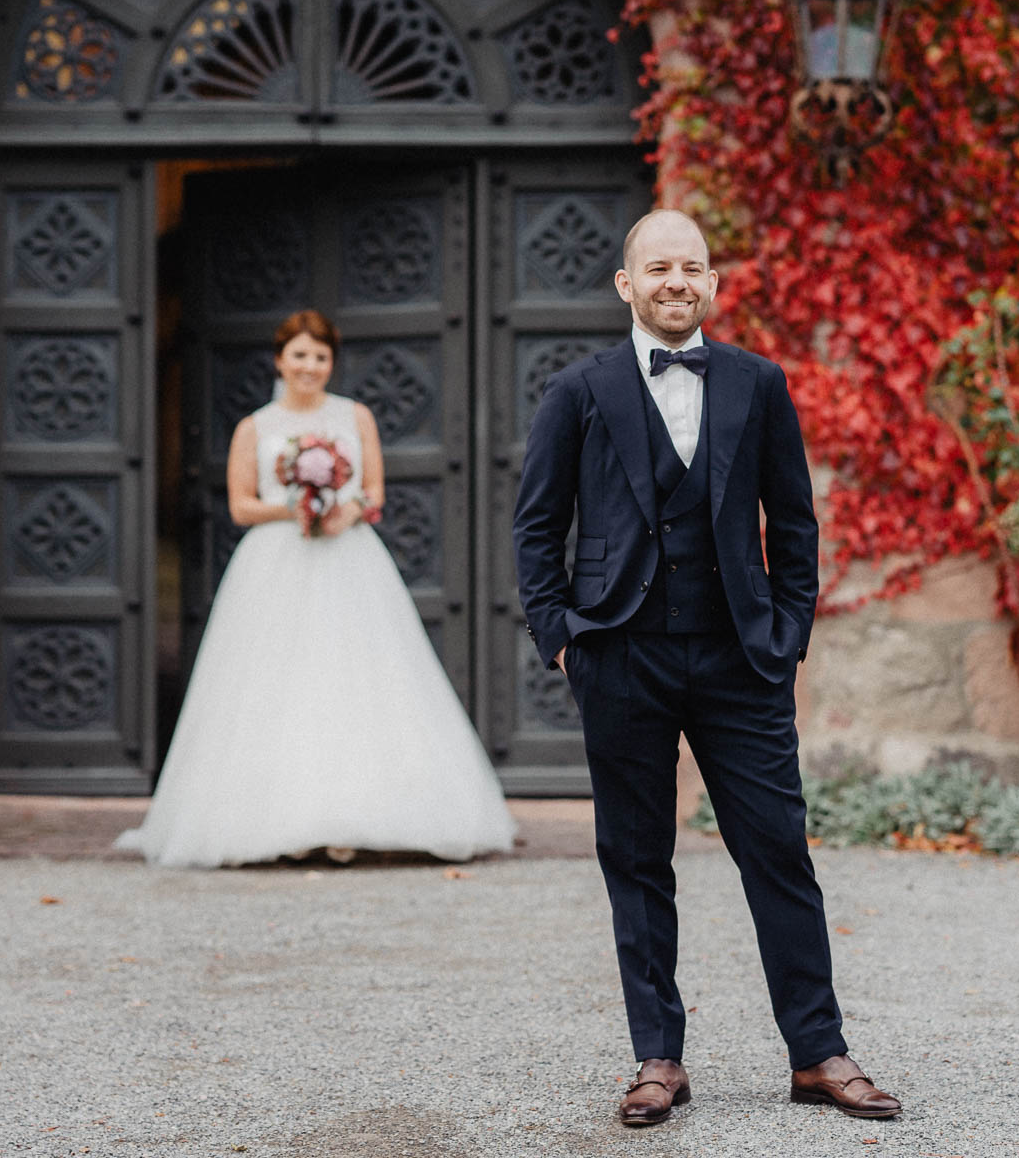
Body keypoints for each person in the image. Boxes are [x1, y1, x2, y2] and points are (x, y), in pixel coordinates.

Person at [512, 210, 902, 1126]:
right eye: (658, 267)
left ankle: (818, 1052)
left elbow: (794, 523)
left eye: (692, 266)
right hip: (621, 653)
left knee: (778, 852)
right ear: (627, 284)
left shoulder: (759, 384)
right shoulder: (578, 390)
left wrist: (787, 636)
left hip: (740, 660)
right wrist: (562, 635)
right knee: (638, 859)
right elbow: (537, 526)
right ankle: (658, 1058)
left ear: (714, 283)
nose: (675, 280)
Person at [117, 309, 515, 867]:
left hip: (348, 559)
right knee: (275, 681)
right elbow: (240, 505)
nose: (310, 366)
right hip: (276, 562)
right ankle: (284, 821)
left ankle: (353, 817)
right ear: (281, 360)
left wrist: (346, 510)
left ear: (332, 363)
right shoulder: (254, 427)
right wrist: (295, 506)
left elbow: (374, 491)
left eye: (320, 357)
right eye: (300, 355)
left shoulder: (356, 417)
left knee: (355, 677)